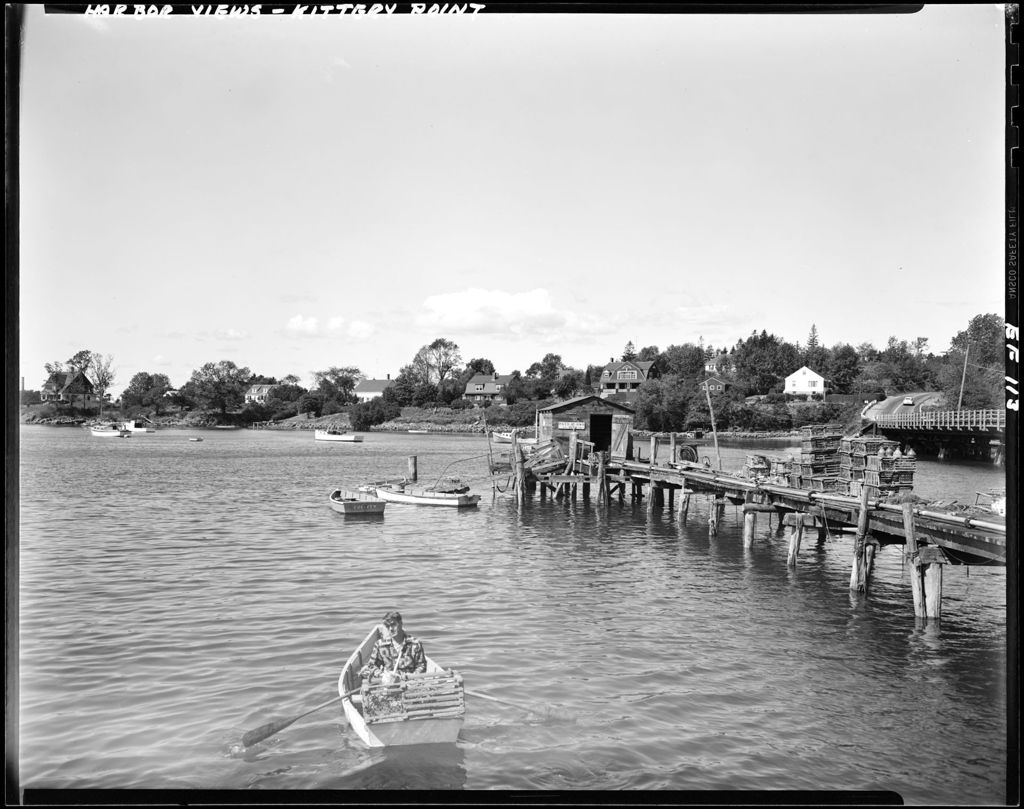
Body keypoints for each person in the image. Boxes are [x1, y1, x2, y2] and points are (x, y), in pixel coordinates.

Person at [359, 611, 427, 685]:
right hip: (388, 683)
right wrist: (382, 675)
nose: (391, 629)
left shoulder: (415, 644)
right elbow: (371, 665)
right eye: (388, 626)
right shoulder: (380, 645)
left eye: (393, 624)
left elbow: (422, 667)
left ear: (401, 623)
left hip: (409, 683)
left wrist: (410, 678)